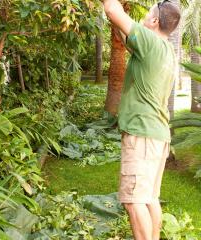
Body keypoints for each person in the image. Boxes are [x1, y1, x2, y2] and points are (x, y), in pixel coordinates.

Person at [102, 0, 181, 239]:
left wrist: (112, 10)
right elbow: (121, 28)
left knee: (133, 202)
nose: (143, 17)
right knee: (148, 199)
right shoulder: (164, 49)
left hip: (142, 135)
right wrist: (115, 21)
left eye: (148, 14)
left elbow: (112, 10)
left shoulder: (150, 42)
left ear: (155, 21)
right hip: (156, 135)